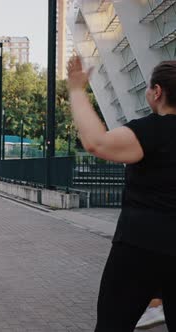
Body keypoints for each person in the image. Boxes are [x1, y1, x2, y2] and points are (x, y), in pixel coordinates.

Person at [67, 56, 176, 331]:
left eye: (149, 88)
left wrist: (77, 90)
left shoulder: (152, 131)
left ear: (158, 92)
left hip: (140, 247)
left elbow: (96, 142)